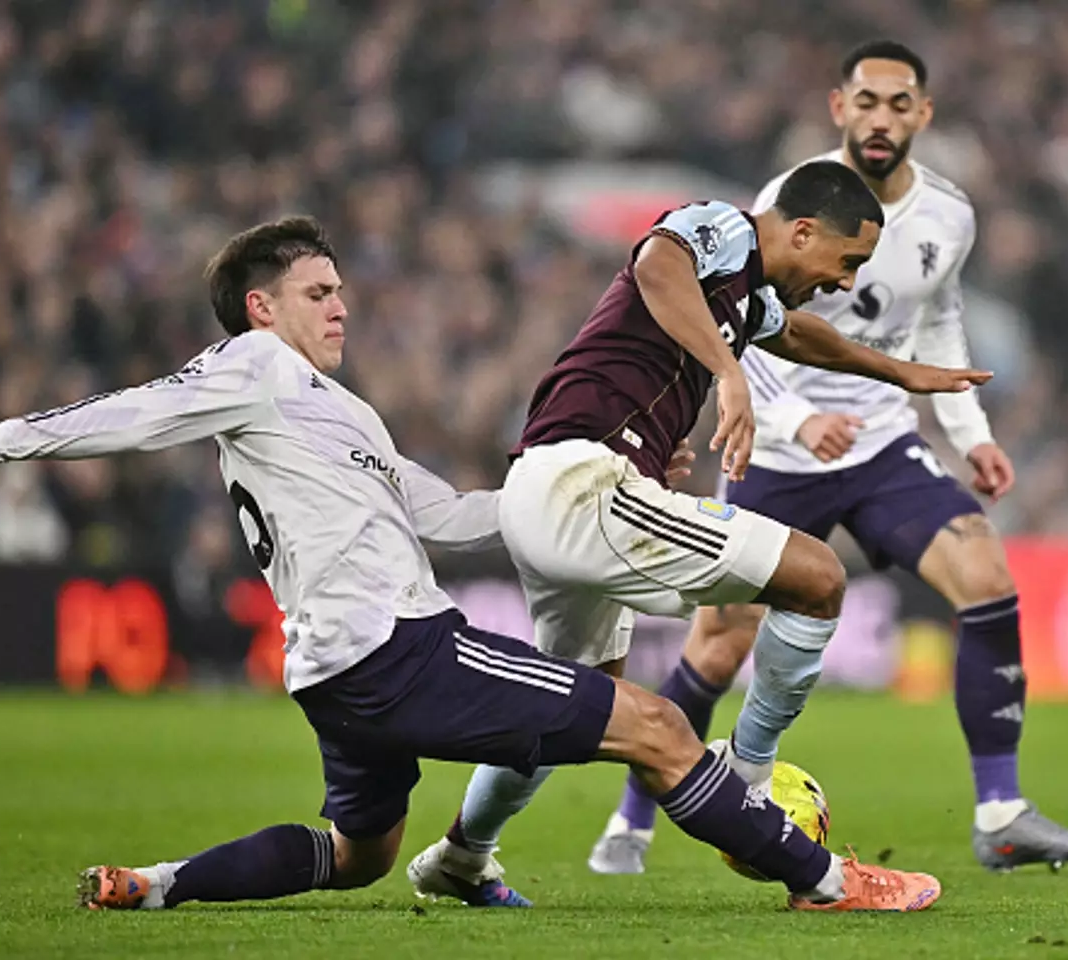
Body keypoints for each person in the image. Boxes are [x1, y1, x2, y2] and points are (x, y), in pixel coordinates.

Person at [0, 215, 942, 913]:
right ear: (260, 305)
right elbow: (139, 411)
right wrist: (4, 439)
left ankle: (153, 884)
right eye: (318, 293)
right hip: (396, 650)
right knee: (658, 727)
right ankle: (822, 879)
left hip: (331, 670)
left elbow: (450, 514)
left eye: (341, 293)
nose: (340, 309)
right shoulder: (251, 367)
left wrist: (576, 486)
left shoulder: (338, 410)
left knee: (358, 857)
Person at [588, 40, 1068, 878]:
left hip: (884, 445)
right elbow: (743, 323)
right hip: (784, 454)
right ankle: (633, 819)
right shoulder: (791, 199)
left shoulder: (950, 215)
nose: (881, 117)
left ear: (922, 115)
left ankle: (1002, 813)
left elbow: (936, 326)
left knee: (987, 579)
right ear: (840, 108)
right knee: (718, 648)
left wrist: (970, 435)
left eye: (899, 104)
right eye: (867, 101)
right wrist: (793, 414)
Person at [407, 162, 991, 905]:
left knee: (573, 705)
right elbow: (657, 263)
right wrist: (727, 373)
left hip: (555, 485)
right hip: (581, 487)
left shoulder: (747, 304)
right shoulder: (723, 229)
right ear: (803, 230)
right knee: (816, 578)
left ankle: (462, 857)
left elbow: (805, 339)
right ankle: (753, 779)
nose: (845, 284)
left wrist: (901, 374)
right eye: (845, 263)